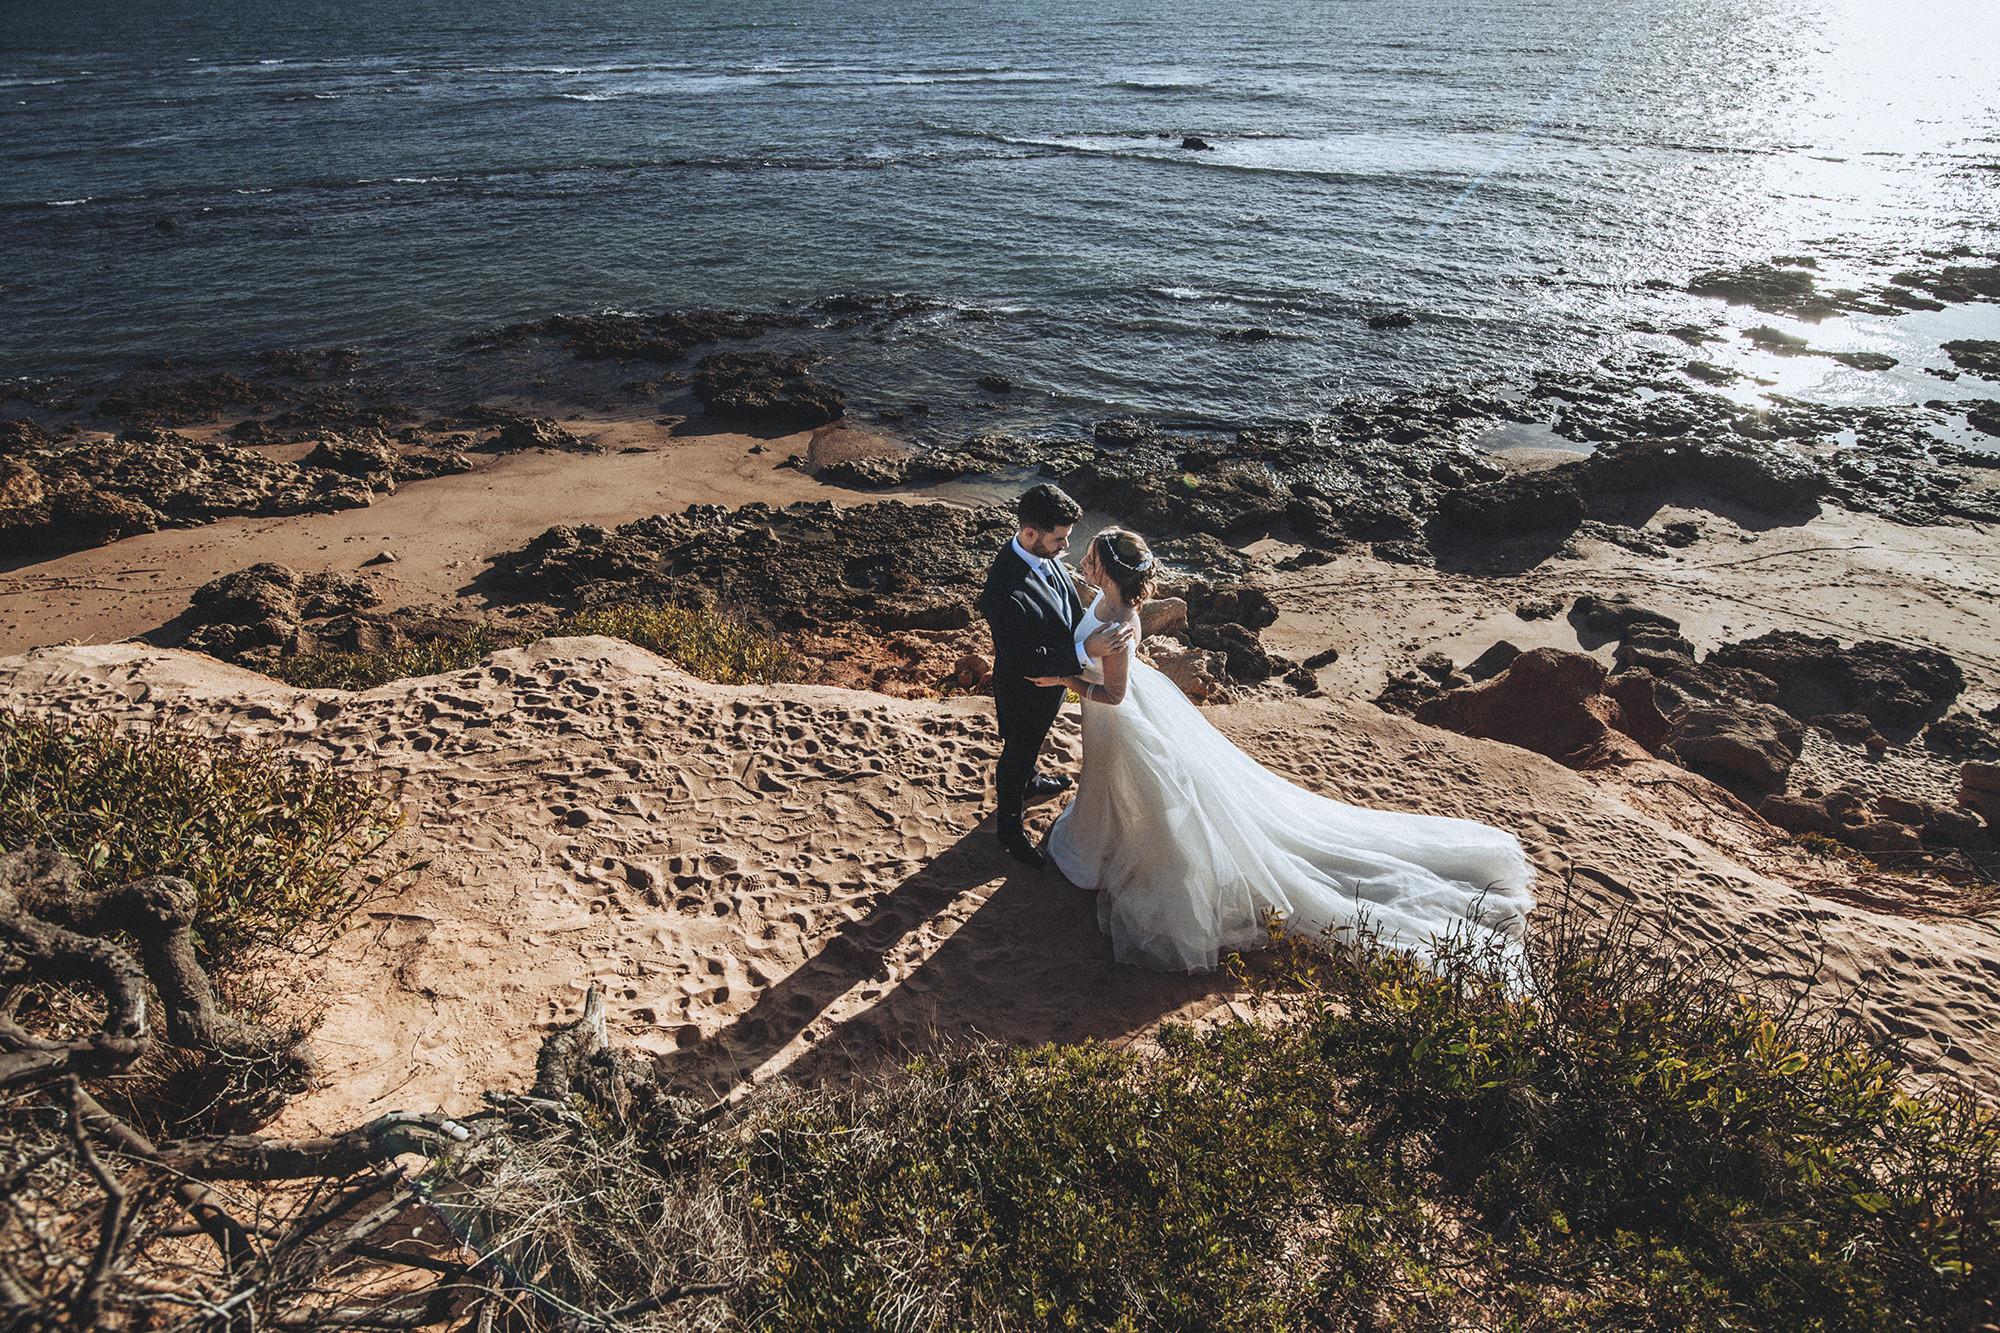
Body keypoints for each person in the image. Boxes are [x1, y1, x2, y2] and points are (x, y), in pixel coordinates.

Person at [1034, 526, 1535, 973]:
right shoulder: (1109, 602)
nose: (1082, 563)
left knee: (1141, 793)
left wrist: (1062, 676)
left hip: (1119, 715)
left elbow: (1115, 694)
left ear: (1109, 573)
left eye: (1091, 559)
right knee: (1110, 784)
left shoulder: (1120, 624)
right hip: (1112, 713)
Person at [980, 484, 1134, 867]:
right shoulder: (1002, 589)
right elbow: (1023, 660)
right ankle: (1009, 829)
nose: (1065, 547)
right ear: (1030, 533)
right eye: (1059, 539)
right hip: (1026, 687)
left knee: (1032, 746)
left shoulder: (1041, 552)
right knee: (1017, 752)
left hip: (1055, 680)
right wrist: (1087, 651)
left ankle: (1032, 781)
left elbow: (1062, 605)